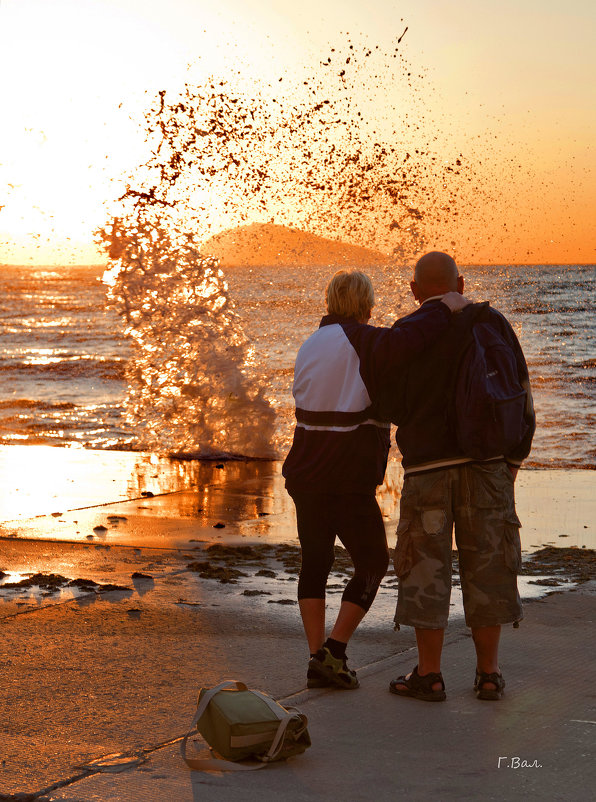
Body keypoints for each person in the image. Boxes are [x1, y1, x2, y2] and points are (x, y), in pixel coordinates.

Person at [282, 268, 470, 690]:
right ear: (366, 305)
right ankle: (335, 650)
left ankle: (317, 657)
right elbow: (409, 339)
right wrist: (444, 306)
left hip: (304, 469)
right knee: (373, 563)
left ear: (331, 301)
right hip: (344, 474)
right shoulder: (362, 339)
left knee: (315, 562)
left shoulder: (311, 343)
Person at [381, 251, 535, 702]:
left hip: (428, 471)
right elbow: (521, 395)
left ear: (414, 291)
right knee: (488, 568)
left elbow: (389, 403)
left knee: (426, 570)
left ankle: (429, 675)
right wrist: (512, 463)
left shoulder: (408, 332)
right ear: (461, 285)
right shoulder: (493, 324)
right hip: (487, 467)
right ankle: (488, 674)